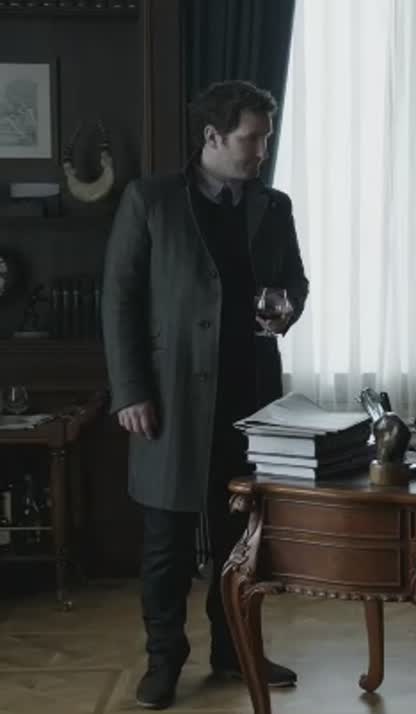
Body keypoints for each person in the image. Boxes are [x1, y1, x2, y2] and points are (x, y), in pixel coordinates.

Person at [101, 80, 309, 710]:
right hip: (167, 402)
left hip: (251, 404)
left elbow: (295, 283)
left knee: (240, 542)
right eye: (252, 138)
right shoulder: (150, 199)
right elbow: (120, 300)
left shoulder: (275, 206)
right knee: (166, 546)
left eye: (266, 137)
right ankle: (163, 662)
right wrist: (130, 391)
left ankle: (233, 651)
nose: (262, 150)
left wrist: (287, 309)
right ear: (213, 136)